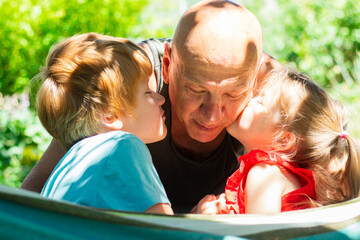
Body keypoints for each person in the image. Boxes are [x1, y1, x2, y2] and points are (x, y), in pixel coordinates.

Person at [21, 0, 282, 213]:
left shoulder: (273, 89)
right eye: (195, 89)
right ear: (167, 66)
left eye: (233, 94)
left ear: (253, 79)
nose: (212, 114)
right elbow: (31, 196)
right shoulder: (124, 80)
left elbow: (322, 165)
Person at [34, 32, 173, 214]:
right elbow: (163, 231)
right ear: (110, 115)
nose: (161, 99)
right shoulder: (121, 146)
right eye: (147, 92)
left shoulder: (66, 168)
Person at [194, 69, 360, 214]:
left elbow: (257, 237)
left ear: (283, 139)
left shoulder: (264, 176)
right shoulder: (282, 176)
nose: (248, 100)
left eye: (260, 101)